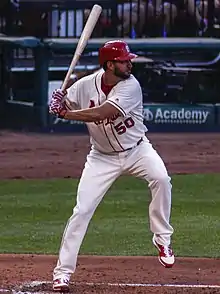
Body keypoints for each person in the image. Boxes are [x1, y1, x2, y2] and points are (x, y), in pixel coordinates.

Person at [49, 40, 175, 293]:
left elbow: (101, 113)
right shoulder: (85, 85)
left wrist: (65, 114)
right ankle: (62, 274)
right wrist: (58, 101)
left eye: (129, 60)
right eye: (124, 60)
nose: (130, 63)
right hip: (101, 158)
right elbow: (65, 103)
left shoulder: (131, 86)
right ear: (109, 65)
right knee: (81, 211)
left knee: (161, 179)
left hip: (138, 150)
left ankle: (162, 239)